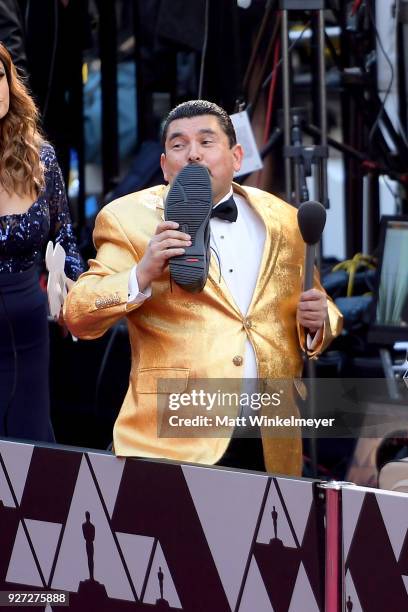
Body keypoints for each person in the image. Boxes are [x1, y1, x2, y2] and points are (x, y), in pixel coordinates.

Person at [64, 99, 342, 476]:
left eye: (206, 142)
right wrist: (141, 274)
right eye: (178, 145)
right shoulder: (127, 219)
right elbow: (78, 314)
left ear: (237, 156)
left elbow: (320, 304)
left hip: (268, 436)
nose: (192, 154)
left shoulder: (283, 219)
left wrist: (318, 321)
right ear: (164, 166)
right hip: (175, 438)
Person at [0, 42, 85, 441]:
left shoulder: (41, 158)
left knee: (32, 441)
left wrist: (80, 299)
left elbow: (65, 235)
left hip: (31, 324)